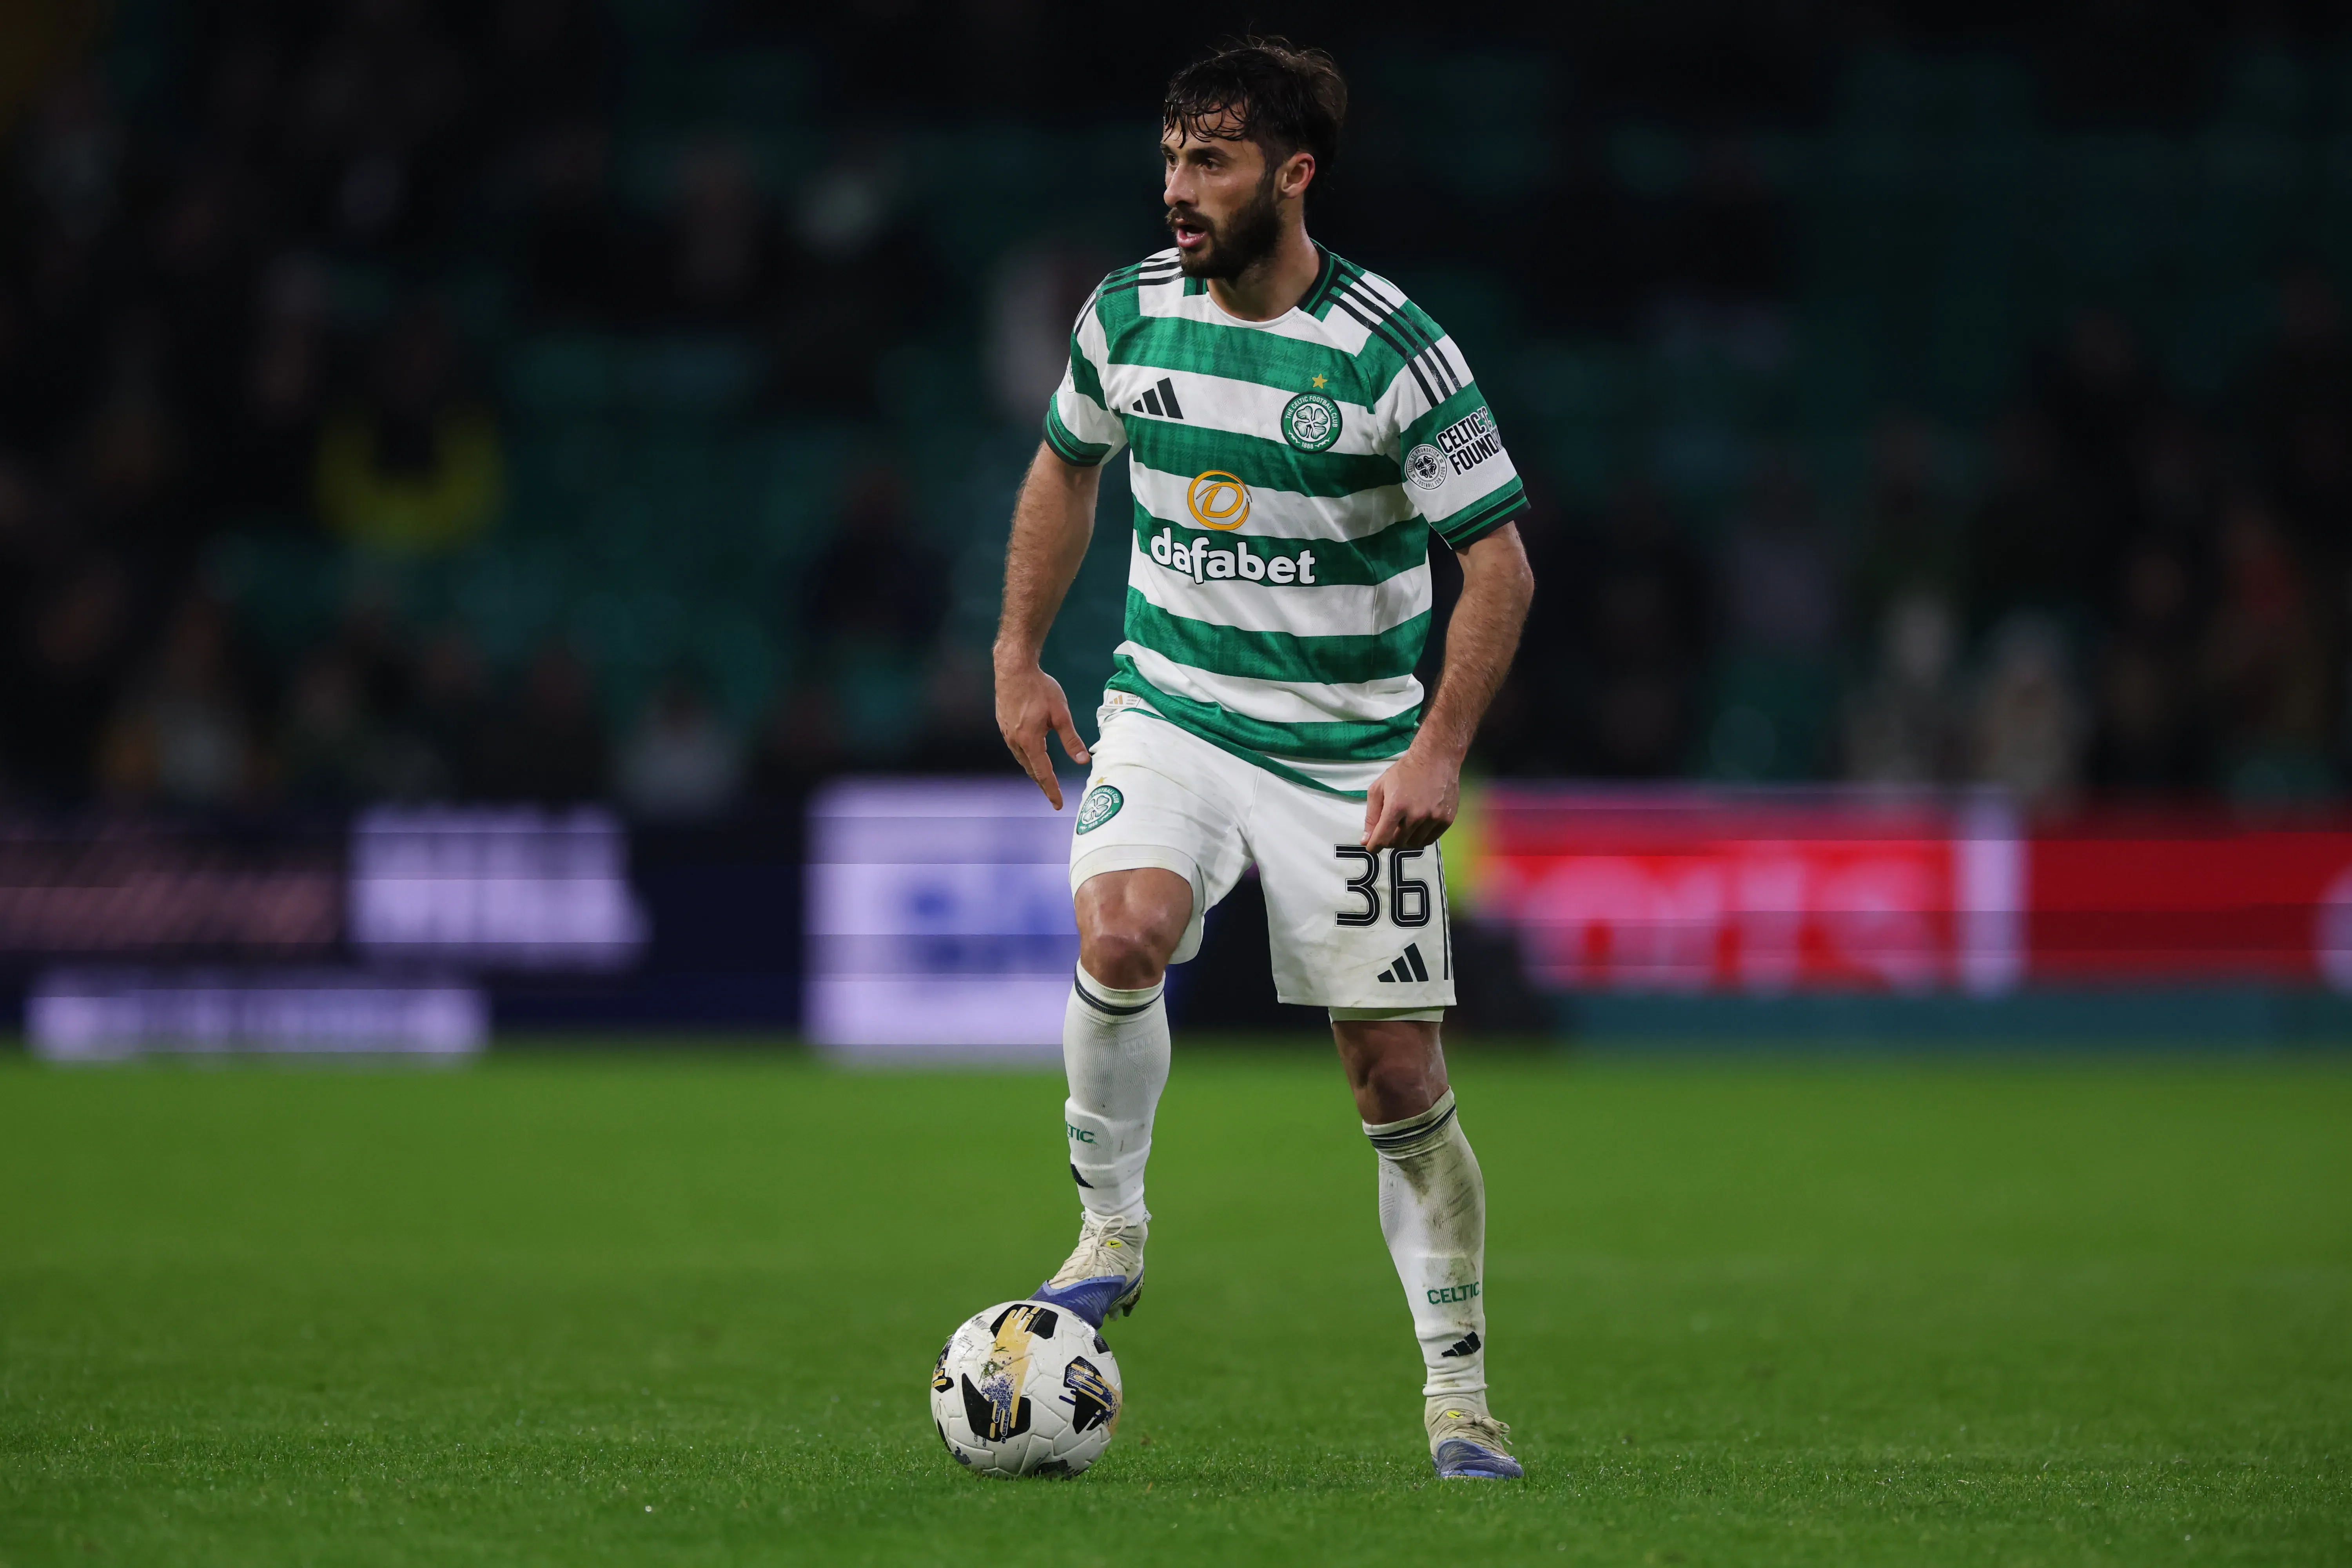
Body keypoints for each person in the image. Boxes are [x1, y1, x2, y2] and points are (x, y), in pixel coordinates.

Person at [991, 40, 1535, 1482]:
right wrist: (1017, 654)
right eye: (1172, 156)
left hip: (1349, 754)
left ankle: (1459, 1395)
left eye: (1212, 161)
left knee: (1395, 1082)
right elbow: (1065, 464)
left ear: (1294, 175)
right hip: (1171, 711)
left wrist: (1437, 747)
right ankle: (1111, 1228)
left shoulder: (1390, 350)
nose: (1178, 187)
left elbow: (1502, 568)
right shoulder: (1126, 316)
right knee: (1123, 935)